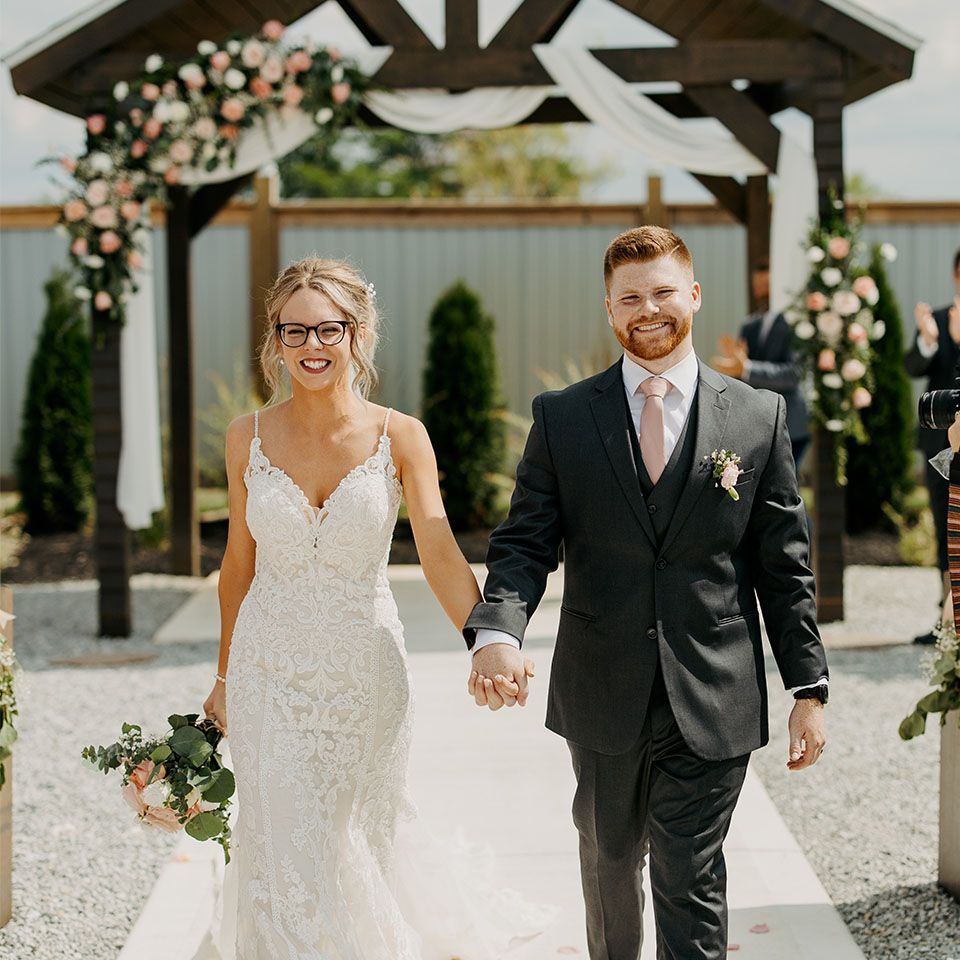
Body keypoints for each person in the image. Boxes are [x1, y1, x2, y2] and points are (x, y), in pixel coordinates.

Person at [463, 226, 829, 960]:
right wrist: (498, 632)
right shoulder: (563, 417)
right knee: (609, 865)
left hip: (715, 689)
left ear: (694, 295)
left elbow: (784, 566)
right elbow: (525, 542)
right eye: (630, 298)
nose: (649, 309)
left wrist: (808, 688)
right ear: (608, 309)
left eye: (663, 292)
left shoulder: (757, 416)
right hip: (602, 688)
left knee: (690, 876)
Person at [198, 257, 550, 959]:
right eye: (294, 331)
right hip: (268, 669)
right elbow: (237, 567)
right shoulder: (247, 436)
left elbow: (439, 551)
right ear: (275, 339)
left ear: (357, 333)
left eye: (328, 329)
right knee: (283, 842)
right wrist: (225, 677)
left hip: (364, 675)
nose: (312, 346)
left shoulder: (401, 435)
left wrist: (488, 641)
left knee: (354, 835)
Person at [904, 247, 960, 644]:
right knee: (947, 524)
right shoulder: (936, 318)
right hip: (941, 446)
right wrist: (928, 341)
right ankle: (948, 617)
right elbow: (911, 366)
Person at [710, 259, 810, 474]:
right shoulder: (749, 325)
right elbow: (743, 371)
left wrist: (747, 368)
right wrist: (734, 368)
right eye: (757, 286)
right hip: (758, 423)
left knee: (786, 486)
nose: (761, 292)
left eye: (766, 286)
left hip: (790, 424)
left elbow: (793, 374)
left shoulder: (795, 323)